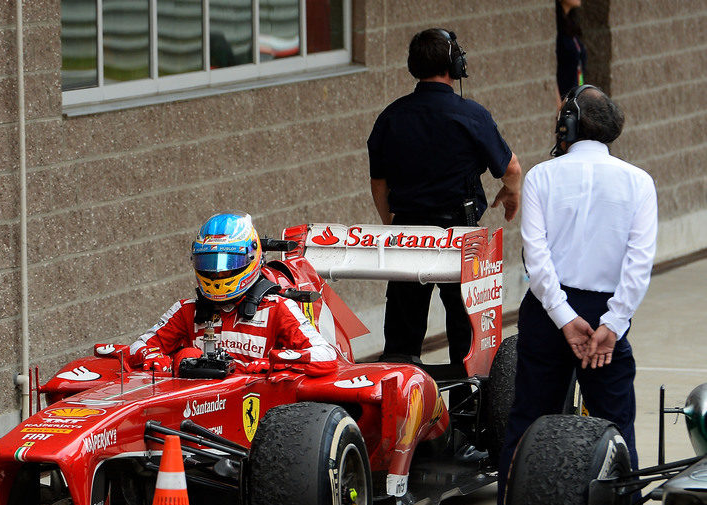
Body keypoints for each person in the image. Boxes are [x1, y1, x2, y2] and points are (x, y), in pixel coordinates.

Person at [497, 85, 657, 505]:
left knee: (528, 422)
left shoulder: (542, 177)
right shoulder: (639, 182)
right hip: (606, 311)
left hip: (550, 312)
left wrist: (565, 317)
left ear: (565, 125)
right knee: (617, 425)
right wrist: (613, 324)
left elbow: (536, 256)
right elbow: (638, 263)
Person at [366, 28, 522, 368]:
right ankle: (468, 409)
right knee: (469, 340)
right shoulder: (472, 115)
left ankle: (403, 408)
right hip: (462, 237)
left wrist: (391, 223)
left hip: (408, 237)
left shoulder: (390, 117)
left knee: (401, 340)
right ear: (456, 66)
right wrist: (512, 194)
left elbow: (379, 184)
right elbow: (510, 168)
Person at [130, 212, 338, 376]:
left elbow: (326, 355)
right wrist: (152, 356)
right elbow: (137, 347)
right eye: (209, 263)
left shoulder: (277, 308)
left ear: (251, 258)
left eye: (228, 264)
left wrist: (276, 362)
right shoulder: (186, 310)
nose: (217, 273)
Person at [556, 0, 587, 106]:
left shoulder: (570, 22)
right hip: (563, 100)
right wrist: (559, 105)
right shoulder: (556, 26)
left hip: (576, 99)